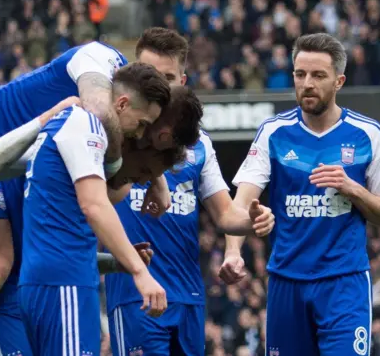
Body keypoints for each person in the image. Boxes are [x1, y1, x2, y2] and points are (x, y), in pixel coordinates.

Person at [0, 35, 188, 354]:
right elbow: (99, 110)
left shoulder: (90, 154)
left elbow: (66, 246)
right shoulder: (99, 61)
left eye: (169, 80)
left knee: (10, 263)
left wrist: (155, 177)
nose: (163, 88)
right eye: (156, 74)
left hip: (13, 160)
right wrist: (126, 172)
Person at [220, 33, 380, 356]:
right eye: (300, 74)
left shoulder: (367, 134)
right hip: (286, 284)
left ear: (339, 81)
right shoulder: (273, 132)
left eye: (318, 75)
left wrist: (353, 189)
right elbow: (240, 206)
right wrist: (233, 251)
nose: (307, 83)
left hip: (344, 285)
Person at [18, 62, 180, 355]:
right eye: (142, 124)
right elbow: (94, 205)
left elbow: (62, 226)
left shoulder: (66, 123)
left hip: (49, 280)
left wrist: (118, 261)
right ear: (121, 104)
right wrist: (139, 273)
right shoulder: (87, 124)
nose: (140, 135)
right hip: (63, 284)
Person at [104, 86, 275, 356]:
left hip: (188, 297)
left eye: (169, 79)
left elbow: (227, 215)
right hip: (135, 295)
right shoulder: (120, 132)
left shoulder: (200, 144)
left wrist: (254, 221)